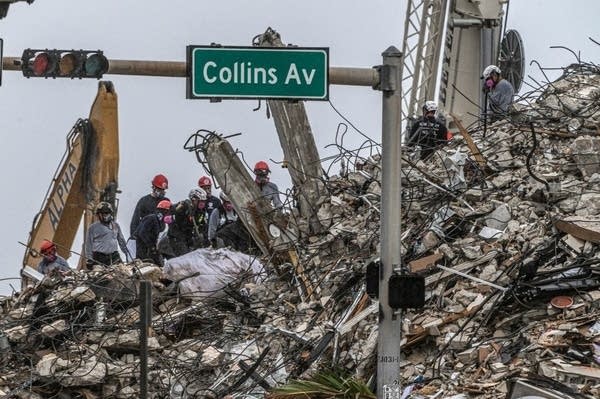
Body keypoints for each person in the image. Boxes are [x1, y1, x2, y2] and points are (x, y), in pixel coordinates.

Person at [165, 188, 209, 257]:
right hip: (177, 237)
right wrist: (172, 217)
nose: (202, 204)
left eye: (204, 202)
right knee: (184, 256)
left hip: (189, 237)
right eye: (201, 202)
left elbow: (203, 226)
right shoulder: (183, 206)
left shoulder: (201, 212)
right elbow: (169, 216)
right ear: (194, 199)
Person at [85, 202, 130, 268]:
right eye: (101, 214)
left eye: (106, 213)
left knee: (122, 272)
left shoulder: (116, 225)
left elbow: (122, 241)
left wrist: (128, 254)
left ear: (110, 213)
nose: (103, 216)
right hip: (99, 257)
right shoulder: (93, 228)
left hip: (114, 256)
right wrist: (89, 259)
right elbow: (89, 245)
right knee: (100, 274)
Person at [134, 199, 172, 265]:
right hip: (144, 252)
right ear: (164, 211)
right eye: (169, 212)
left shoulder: (161, 223)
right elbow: (142, 233)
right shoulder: (151, 218)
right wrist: (151, 246)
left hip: (151, 250)